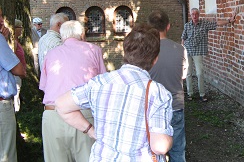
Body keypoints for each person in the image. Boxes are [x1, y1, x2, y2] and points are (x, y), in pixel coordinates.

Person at [55, 24, 173, 162]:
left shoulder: (99, 83)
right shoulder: (158, 93)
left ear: (125, 52)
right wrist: (170, 138)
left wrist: (91, 131)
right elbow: (160, 146)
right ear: (155, 59)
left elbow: (61, 105)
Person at [40, 20, 107, 162]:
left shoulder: (51, 54)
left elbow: (45, 87)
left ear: (62, 35)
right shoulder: (94, 50)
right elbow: (102, 87)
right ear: (82, 34)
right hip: (83, 115)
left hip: (52, 115)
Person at [148, 10, 188, 162]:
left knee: (153, 152)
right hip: (175, 105)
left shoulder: (146, 51)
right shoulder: (180, 49)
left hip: (152, 108)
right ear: (168, 26)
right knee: (178, 150)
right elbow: (183, 75)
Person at [181, 8, 236, 102]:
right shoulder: (187, 26)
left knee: (199, 73)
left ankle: (202, 94)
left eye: (196, 14)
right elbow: (183, 38)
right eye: (192, 14)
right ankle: (190, 94)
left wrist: (229, 20)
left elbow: (216, 23)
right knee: (188, 73)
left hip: (198, 52)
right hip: (188, 51)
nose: (194, 16)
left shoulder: (204, 24)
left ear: (198, 15)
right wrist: (182, 50)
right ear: (191, 15)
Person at [0, 7, 26, 161]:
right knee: (6, 155)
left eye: (2, 15)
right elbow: (19, 70)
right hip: (2, 106)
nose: (2, 20)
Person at [14, 19, 27, 112]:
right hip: (16, 74)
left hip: (19, 74)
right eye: (19, 27)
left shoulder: (17, 41)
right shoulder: (13, 42)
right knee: (15, 94)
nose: (21, 29)